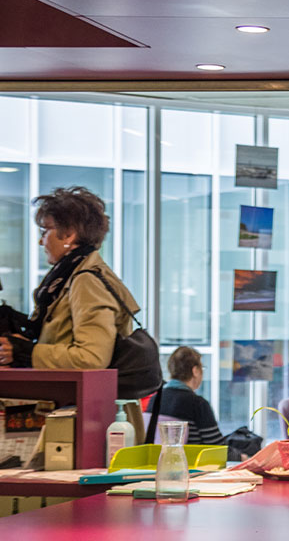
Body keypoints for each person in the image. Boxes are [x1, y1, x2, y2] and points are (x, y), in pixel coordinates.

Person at [0, 187, 142, 372]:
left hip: (73, 399)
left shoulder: (86, 281)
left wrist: (25, 353)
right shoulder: (70, 275)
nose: (41, 241)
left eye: (45, 231)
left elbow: (91, 358)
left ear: (68, 234)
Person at [149, 347, 225, 446]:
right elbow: (217, 447)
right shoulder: (197, 404)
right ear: (195, 371)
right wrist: (241, 456)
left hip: (159, 459)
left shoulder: (154, 399)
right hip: (190, 460)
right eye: (202, 368)